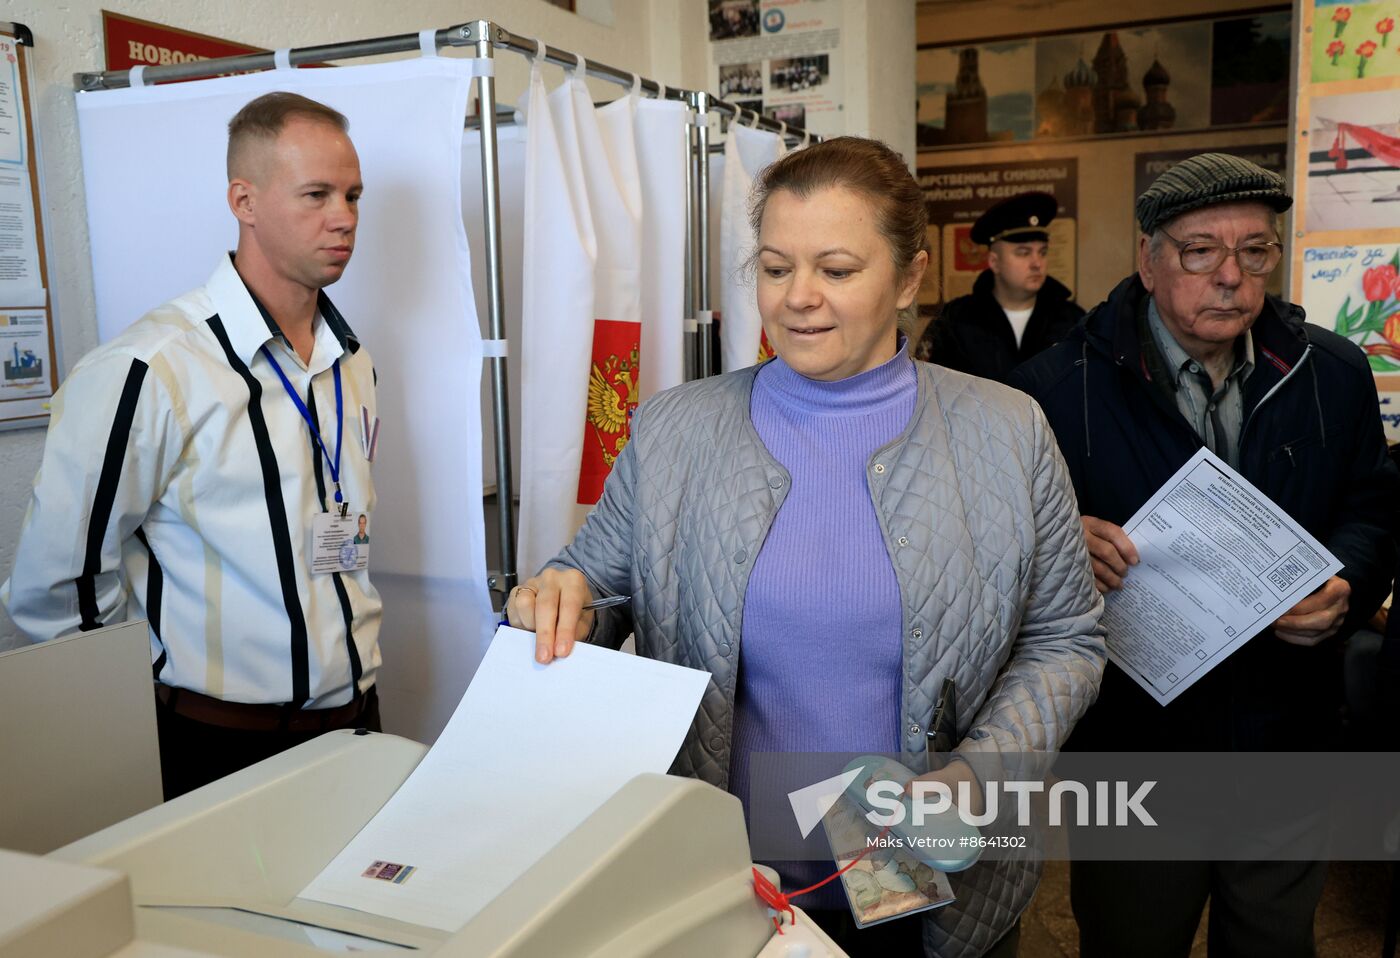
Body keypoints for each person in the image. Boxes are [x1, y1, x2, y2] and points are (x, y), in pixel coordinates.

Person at [506, 137, 1106, 957]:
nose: (798, 298)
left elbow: (1065, 638)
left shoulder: (1006, 431)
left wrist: (978, 776)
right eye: (776, 267)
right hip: (725, 887)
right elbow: (597, 586)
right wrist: (558, 601)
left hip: (924, 883)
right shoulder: (677, 429)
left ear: (909, 278)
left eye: (837, 269)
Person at [1009, 152, 1399, 958]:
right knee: (1131, 941)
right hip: (1132, 745)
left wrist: (1346, 583)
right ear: (1148, 260)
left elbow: (1372, 506)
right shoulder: (1051, 389)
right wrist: (1058, 541)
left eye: (1255, 251)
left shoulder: (1330, 373)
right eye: (1200, 251)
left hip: (1287, 728)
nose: (1231, 276)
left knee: (1274, 942)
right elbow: (1000, 547)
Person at [1, 92, 383, 800]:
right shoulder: (152, 367)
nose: (344, 218)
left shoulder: (350, 361)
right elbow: (58, 586)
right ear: (245, 200)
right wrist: (125, 723)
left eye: (353, 195)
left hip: (357, 722)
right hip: (216, 747)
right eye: (317, 194)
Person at [916, 191, 1083, 383]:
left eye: (1042, 252)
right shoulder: (955, 321)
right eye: (1023, 252)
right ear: (994, 262)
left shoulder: (1072, 321)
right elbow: (929, 387)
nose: (1037, 263)